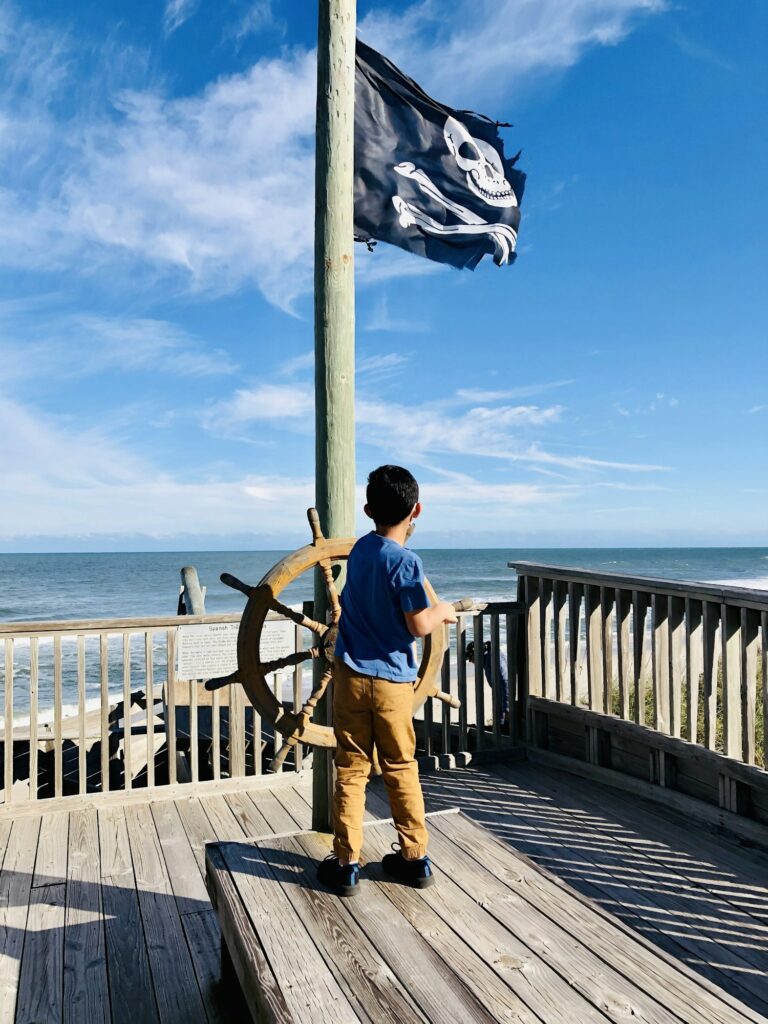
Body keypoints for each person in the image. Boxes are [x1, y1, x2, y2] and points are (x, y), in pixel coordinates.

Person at [317, 465, 458, 897]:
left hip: (351, 679)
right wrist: (445, 611)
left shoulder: (360, 550)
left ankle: (345, 864)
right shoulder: (407, 563)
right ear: (417, 510)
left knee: (352, 768)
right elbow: (418, 624)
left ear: (367, 510)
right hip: (394, 685)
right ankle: (414, 859)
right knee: (400, 767)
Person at [466, 639, 510, 727]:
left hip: (506, 702)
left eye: (470, 657)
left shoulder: (492, 657)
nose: (470, 661)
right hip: (502, 700)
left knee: (504, 729)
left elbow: (506, 682)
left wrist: (507, 709)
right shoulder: (488, 660)